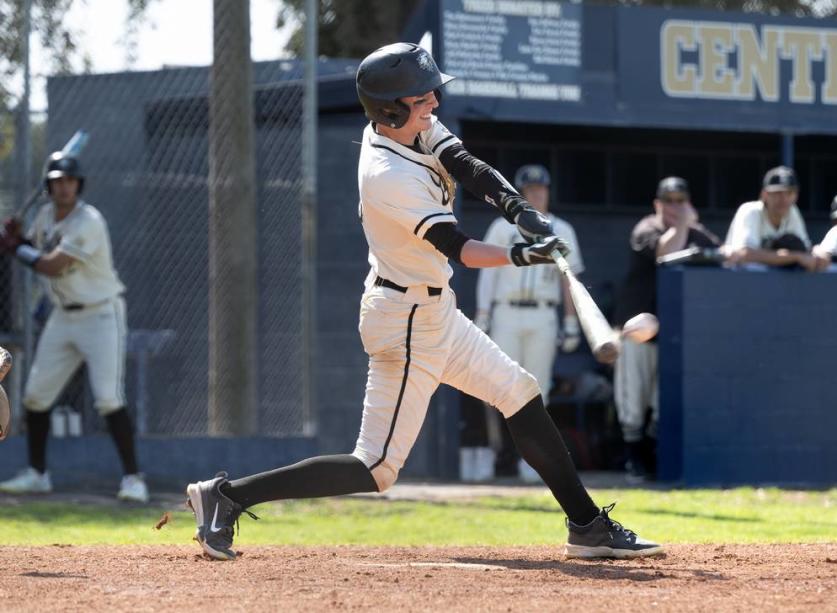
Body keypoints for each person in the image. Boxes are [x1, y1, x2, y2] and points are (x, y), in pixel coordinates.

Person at [184, 43, 661, 562]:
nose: (433, 100)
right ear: (390, 109)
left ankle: (586, 526)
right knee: (375, 468)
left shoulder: (408, 126)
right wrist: (525, 255)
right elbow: (461, 249)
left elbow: (465, 163)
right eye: (421, 96)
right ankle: (225, 497)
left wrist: (517, 206)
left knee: (519, 392)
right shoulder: (387, 176)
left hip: (433, 311)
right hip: (405, 320)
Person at [0, 152, 147, 502]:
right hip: (63, 315)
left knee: (109, 397)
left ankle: (133, 479)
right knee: (36, 395)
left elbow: (51, 265)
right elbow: (36, 246)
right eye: (57, 181)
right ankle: (37, 474)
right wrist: (17, 235)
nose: (64, 187)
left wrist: (16, 246)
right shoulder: (45, 215)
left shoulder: (89, 220)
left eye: (69, 180)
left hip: (100, 314)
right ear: (49, 186)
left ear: (78, 184)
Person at [472, 163, 584, 481]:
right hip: (506, 311)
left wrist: (570, 321)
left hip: (543, 313)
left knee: (539, 389)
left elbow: (569, 278)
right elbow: (487, 274)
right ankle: (503, 457)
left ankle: (533, 461)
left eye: (540, 189)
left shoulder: (562, 228)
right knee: (500, 386)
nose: (536, 194)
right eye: (529, 190)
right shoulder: (501, 227)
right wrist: (483, 314)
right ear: (520, 195)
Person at [614, 177, 720, 481]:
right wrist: (684, 226)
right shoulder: (646, 228)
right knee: (632, 399)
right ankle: (632, 459)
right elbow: (664, 254)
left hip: (672, 333)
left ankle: (649, 457)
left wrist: (691, 227)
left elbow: (726, 255)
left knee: (663, 402)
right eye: (669, 201)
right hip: (637, 327)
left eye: (680, 201)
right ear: (657, 204)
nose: (675, 207)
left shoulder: (695, 232)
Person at [724, 166, 829, 272]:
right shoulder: (750, 211)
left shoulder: (793, 212)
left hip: (776, 281)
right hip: (739, 280)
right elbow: (744, 254)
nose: (783, 199)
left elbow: (806, 251)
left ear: (796, 196)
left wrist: (817, 253)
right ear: (764, 194)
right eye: (777, 193)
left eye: (789, 193)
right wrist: (795, 256)